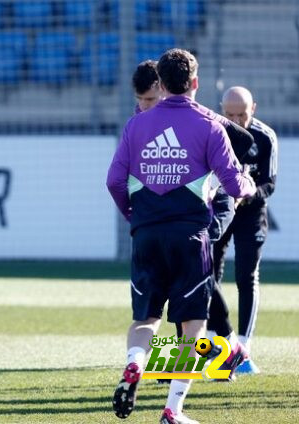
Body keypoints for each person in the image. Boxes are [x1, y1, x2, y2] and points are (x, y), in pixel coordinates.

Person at [107, 49, 256, 424]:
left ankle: (134, 364)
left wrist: (134, 215)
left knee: (146, 319)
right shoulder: (209, 124)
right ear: (195, 82)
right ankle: (173, 408)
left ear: (160, 83)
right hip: (190, 233)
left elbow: (113, 181)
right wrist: (249, 188)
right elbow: (233, 183)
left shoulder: (136, 125)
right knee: (193, 325)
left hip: (146, 232)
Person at [210, 86, 278, 375]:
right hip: (221, 209)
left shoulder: (265, 137)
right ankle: (216, 345)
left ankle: (244, 346)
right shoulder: (214, 130)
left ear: (255, 109)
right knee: (208, 272)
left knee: (246, 276)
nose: (236, 121)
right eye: (230, 114)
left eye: (242, 115)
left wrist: (246, 194)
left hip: (250, 212)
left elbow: (270, 184)